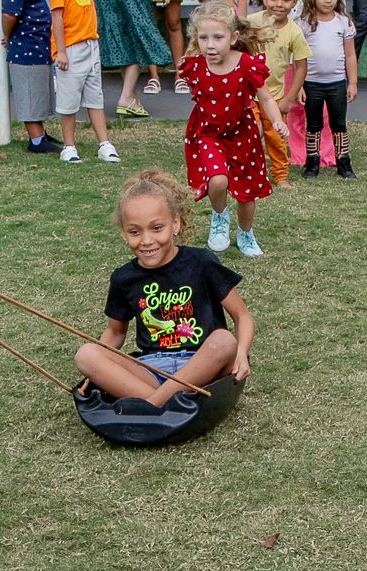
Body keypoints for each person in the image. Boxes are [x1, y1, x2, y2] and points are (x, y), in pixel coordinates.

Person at [75, 169, 253, 408]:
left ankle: (151, 406)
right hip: (151, 370)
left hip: (202, 367)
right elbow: (115, 332)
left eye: (157, 228)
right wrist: (99, 364)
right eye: (135, 232)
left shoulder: (201, 262)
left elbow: (242, 316)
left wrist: (241, 353)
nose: (146, 240)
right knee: (86, 354)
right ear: (124, 234)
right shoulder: (123, 278)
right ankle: (169, 403)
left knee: (224, 340)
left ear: (175, 223)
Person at [181, 1, 281, 258]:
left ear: (233, 37)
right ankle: (219, 217)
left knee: (247, 195)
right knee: (218, 179)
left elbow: (265, 98)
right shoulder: (195, 66)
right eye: (203, 38)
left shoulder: (246, 65)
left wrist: (276, 121)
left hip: (242, 136)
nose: (210, 45)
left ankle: (245, 233)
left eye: (218, 37)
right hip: (208, 134)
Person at [45, 0, 119, 165]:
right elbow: (57, 16)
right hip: (71, 48)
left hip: (90, 44)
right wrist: (61, 51)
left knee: (95, 96)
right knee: (69, 100)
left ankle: (104, 143)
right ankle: (69, 146)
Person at [247, 0, 310, 199]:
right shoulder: (252, 23)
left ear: (294, 2)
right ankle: (249, 172)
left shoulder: (294, 32)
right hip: (249, 96)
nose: (279, 4)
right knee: (250, 135)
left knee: (276, 138)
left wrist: (289, 99)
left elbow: (301, 67)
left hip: (275, 98)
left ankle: (281, 175)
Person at [0, 0, 58, 154]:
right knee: (29, 92)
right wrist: (7, 33)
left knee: (39, 89)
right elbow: (9, 13)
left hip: (37, 45)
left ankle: (40, 132)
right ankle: (36, 140)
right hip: (26, 47)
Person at [296, 0, 357, 179]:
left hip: (337, 83)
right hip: (311, 83)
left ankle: (343, 162)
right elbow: (298, 58)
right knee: (313, 124)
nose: (328, 0)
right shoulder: (304, 23)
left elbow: (350, 55)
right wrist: (299, 86)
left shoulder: (343, 22)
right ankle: (312, 162)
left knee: (338, 124)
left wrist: (352, 82)